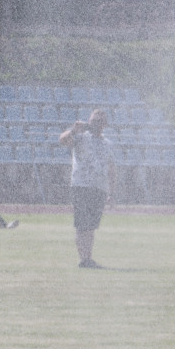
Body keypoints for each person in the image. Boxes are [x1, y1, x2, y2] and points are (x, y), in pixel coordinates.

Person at [59, 109, 116, 268]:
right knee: (82, 224)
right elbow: (62, 141)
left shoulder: (108, 144)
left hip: (99, 188)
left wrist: (112, 192)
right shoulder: (81, 138)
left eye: (99, 121)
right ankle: (83, 258)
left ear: (105, 124)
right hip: (81, 185)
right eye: (93, 121)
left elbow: (112, 169)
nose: (96, 124)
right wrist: (73, 130)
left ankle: (88, 258)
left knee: (91, 226)